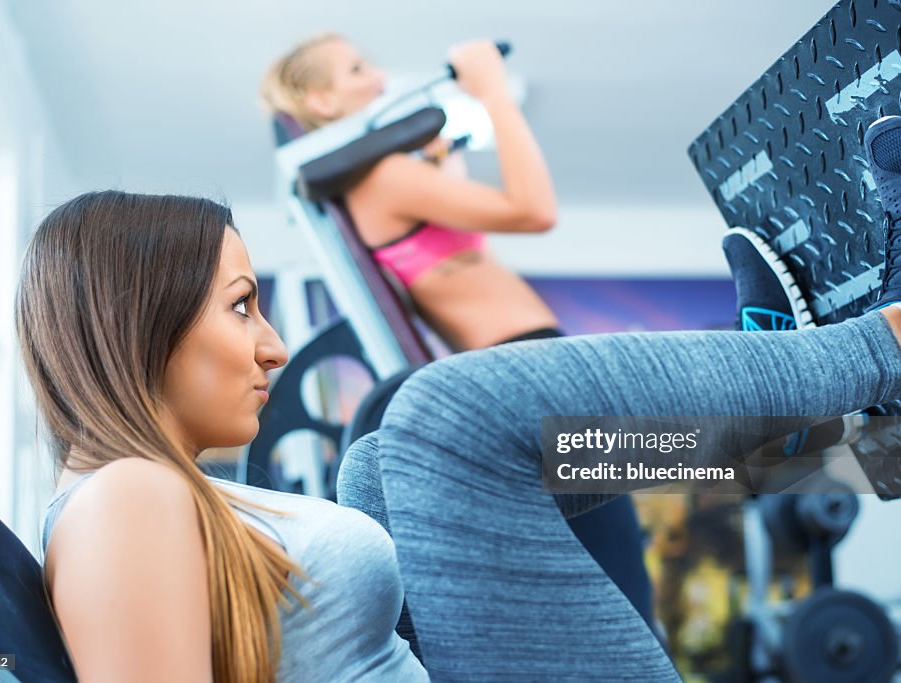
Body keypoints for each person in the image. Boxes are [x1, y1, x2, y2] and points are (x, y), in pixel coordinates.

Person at [27, 114, 901, 681]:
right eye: (241, 307)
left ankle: (797, 428)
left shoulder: (150, 494)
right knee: (444, 423)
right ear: (139, 326)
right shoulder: (122, 500)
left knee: (386, 444)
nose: (271, 344)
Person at [260, 35, 655, 625]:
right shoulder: (384, 176)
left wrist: (443, 160)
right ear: (320, 100)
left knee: (621, 552)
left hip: (524, 371)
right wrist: (494, 92)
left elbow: (455, 253)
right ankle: (823, 448)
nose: (379, 78)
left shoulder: (379, 179)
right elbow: (535, 210)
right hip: (529, 372)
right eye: (357, 69)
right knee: (631, 564)